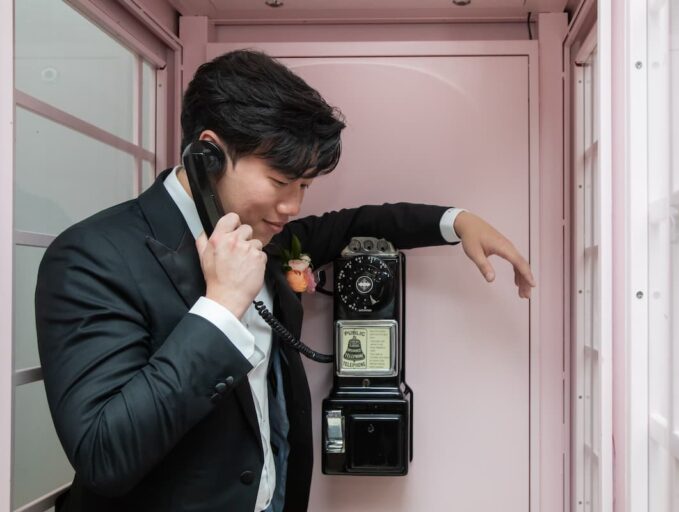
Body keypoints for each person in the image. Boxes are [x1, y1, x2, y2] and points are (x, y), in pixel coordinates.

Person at [35, 50, 535, 512]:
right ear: (208, 154)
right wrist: (220, 308)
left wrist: (457, 222)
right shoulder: (92, 257)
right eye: (280, 182)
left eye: (304, 186)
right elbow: (104, 454)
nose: (293, 206)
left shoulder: (262, 237)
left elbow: (352, 224)